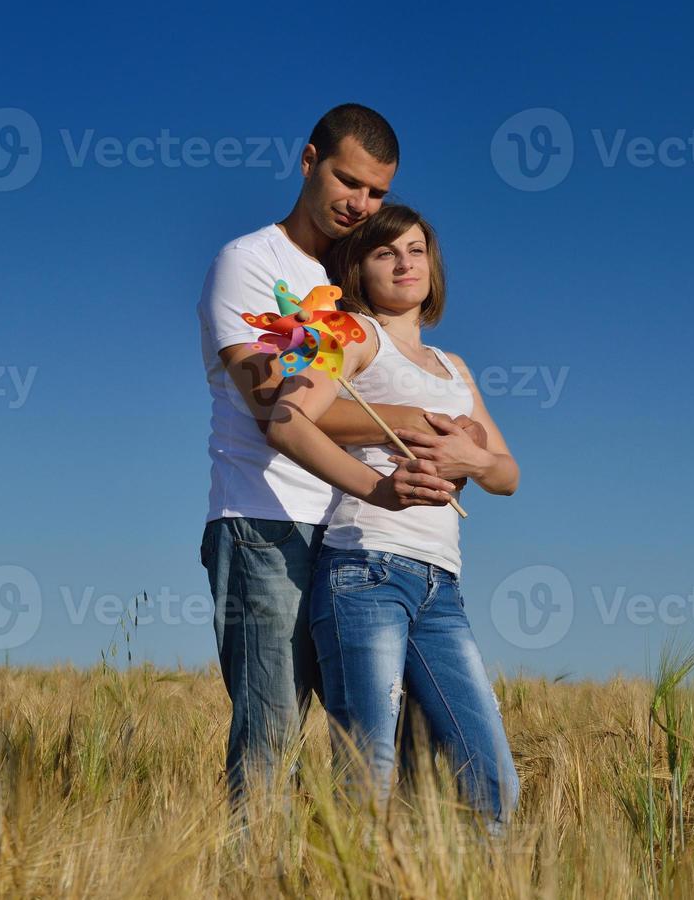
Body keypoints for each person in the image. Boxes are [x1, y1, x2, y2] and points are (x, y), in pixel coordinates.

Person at [196, 104, 483, 806]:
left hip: (361, 540)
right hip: (265, 521)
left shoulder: (360, 273)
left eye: (377, 192)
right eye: (347, 181)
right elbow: (271, 402)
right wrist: (412, 420)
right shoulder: (250, 262)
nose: (360, 204)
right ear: (308, 161)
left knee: (395, 739)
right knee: (272, 733)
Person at [265, 204, 521, 828]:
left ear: (433, 265)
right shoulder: (351, 336)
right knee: (367, 778)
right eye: (386, 252)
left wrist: (472, 457)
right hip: (366, 569)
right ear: (358, 267)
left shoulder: (455, 367)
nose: (405, 262)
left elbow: (508, 475)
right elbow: (287, 418)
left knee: (493, 784)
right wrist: (379, 485)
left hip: (443, 585)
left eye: (416, 249)